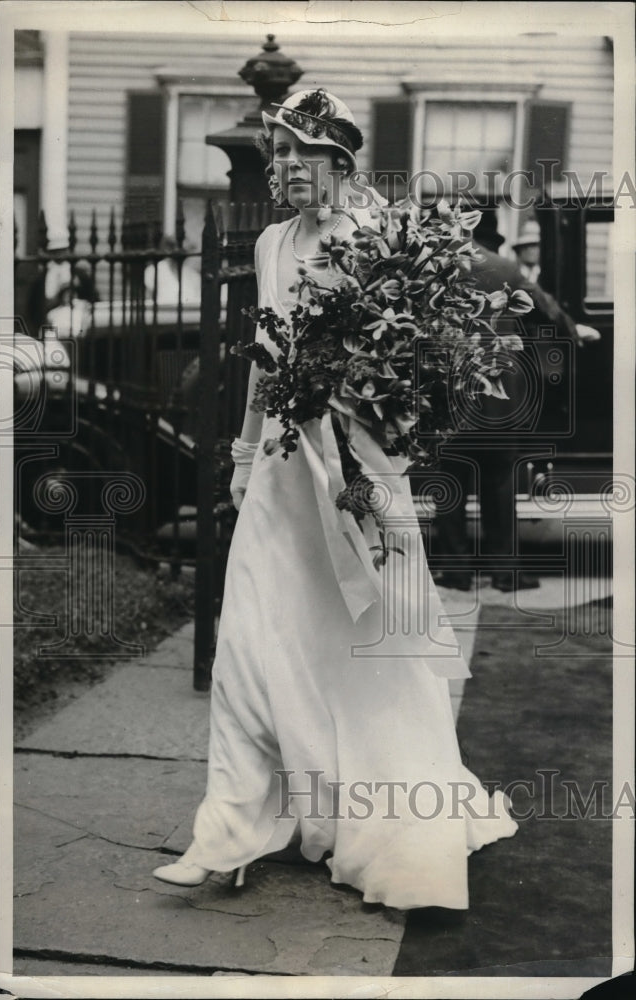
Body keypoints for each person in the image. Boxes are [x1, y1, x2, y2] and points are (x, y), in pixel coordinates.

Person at [152, 89, 517, 910]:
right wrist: (247, 454)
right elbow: (263, 355)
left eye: (296, 155)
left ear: (339, 164)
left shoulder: (380, 240)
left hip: (356, 473)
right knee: (250, 632)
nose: (280, 169)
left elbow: (420, 374)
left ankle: (381, 809)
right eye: (275, 153)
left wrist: (368, 426)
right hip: (283, 469)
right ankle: (229, 830)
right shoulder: (272, 242)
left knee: (358, 648)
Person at [432, 211, 600, 593]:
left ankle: (456, 571)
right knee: (501, 484)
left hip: (450, 395)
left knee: (452, 485)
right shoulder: (505, 268)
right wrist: (576, 332)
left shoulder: (437, 263)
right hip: (500, 398)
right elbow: (546, 309)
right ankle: (505, 573)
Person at [512, 219, 542, 283]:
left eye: (534, 245)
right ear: (519, 250)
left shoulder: (545, 276)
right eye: (526, 246)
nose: (530, 250)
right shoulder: (513, 273)